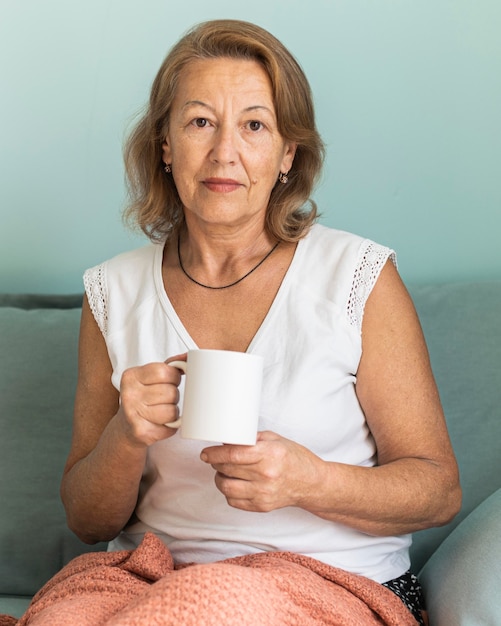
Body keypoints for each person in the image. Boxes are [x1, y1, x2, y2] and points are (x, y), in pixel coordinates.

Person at [15, 19, 461, 626]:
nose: (225, 151)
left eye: (254, 125)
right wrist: (125, 434)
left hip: (332, 584)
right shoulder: (112, 292)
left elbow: (438, 491)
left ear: (287, 153)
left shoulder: (356, 277)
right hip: (154, 579)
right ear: (166, 145)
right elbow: (88, 521)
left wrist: (312, 481)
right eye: (200, 122)